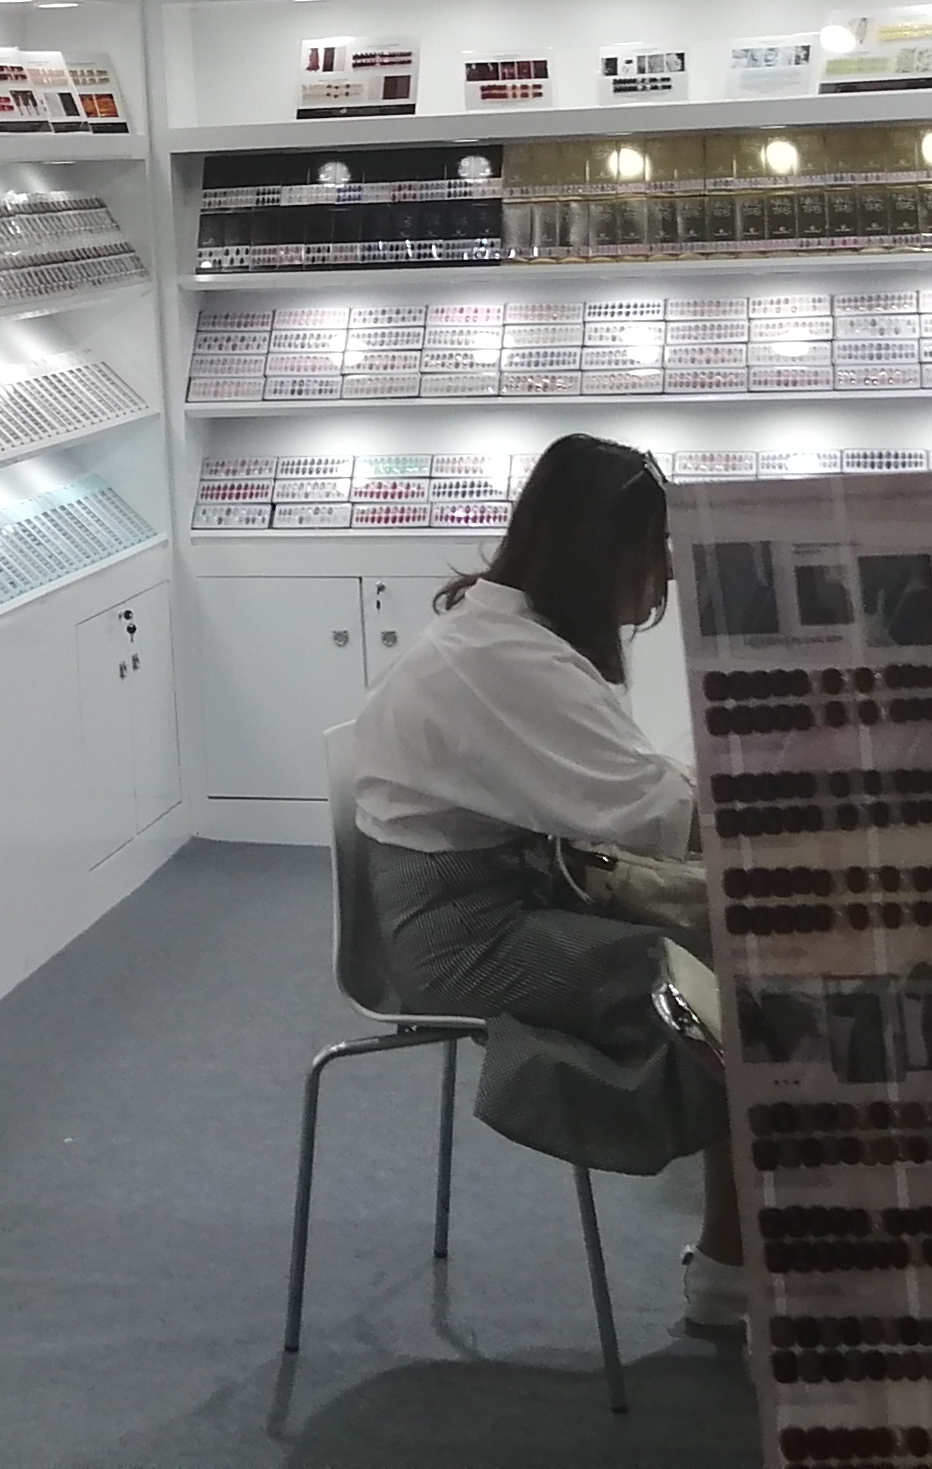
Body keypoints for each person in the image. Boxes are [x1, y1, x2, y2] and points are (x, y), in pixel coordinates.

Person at [349, 432, 743, 1336]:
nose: (666, 574)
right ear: (601, 549)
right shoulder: (503, 657)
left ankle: (741, 1254)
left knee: (728, 959)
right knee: (732, 992)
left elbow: (632, 797)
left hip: (488, 899)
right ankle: (733, 1271)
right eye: (654, 548)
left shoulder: (510, 635)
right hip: (461, 936)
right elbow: (652, 812)